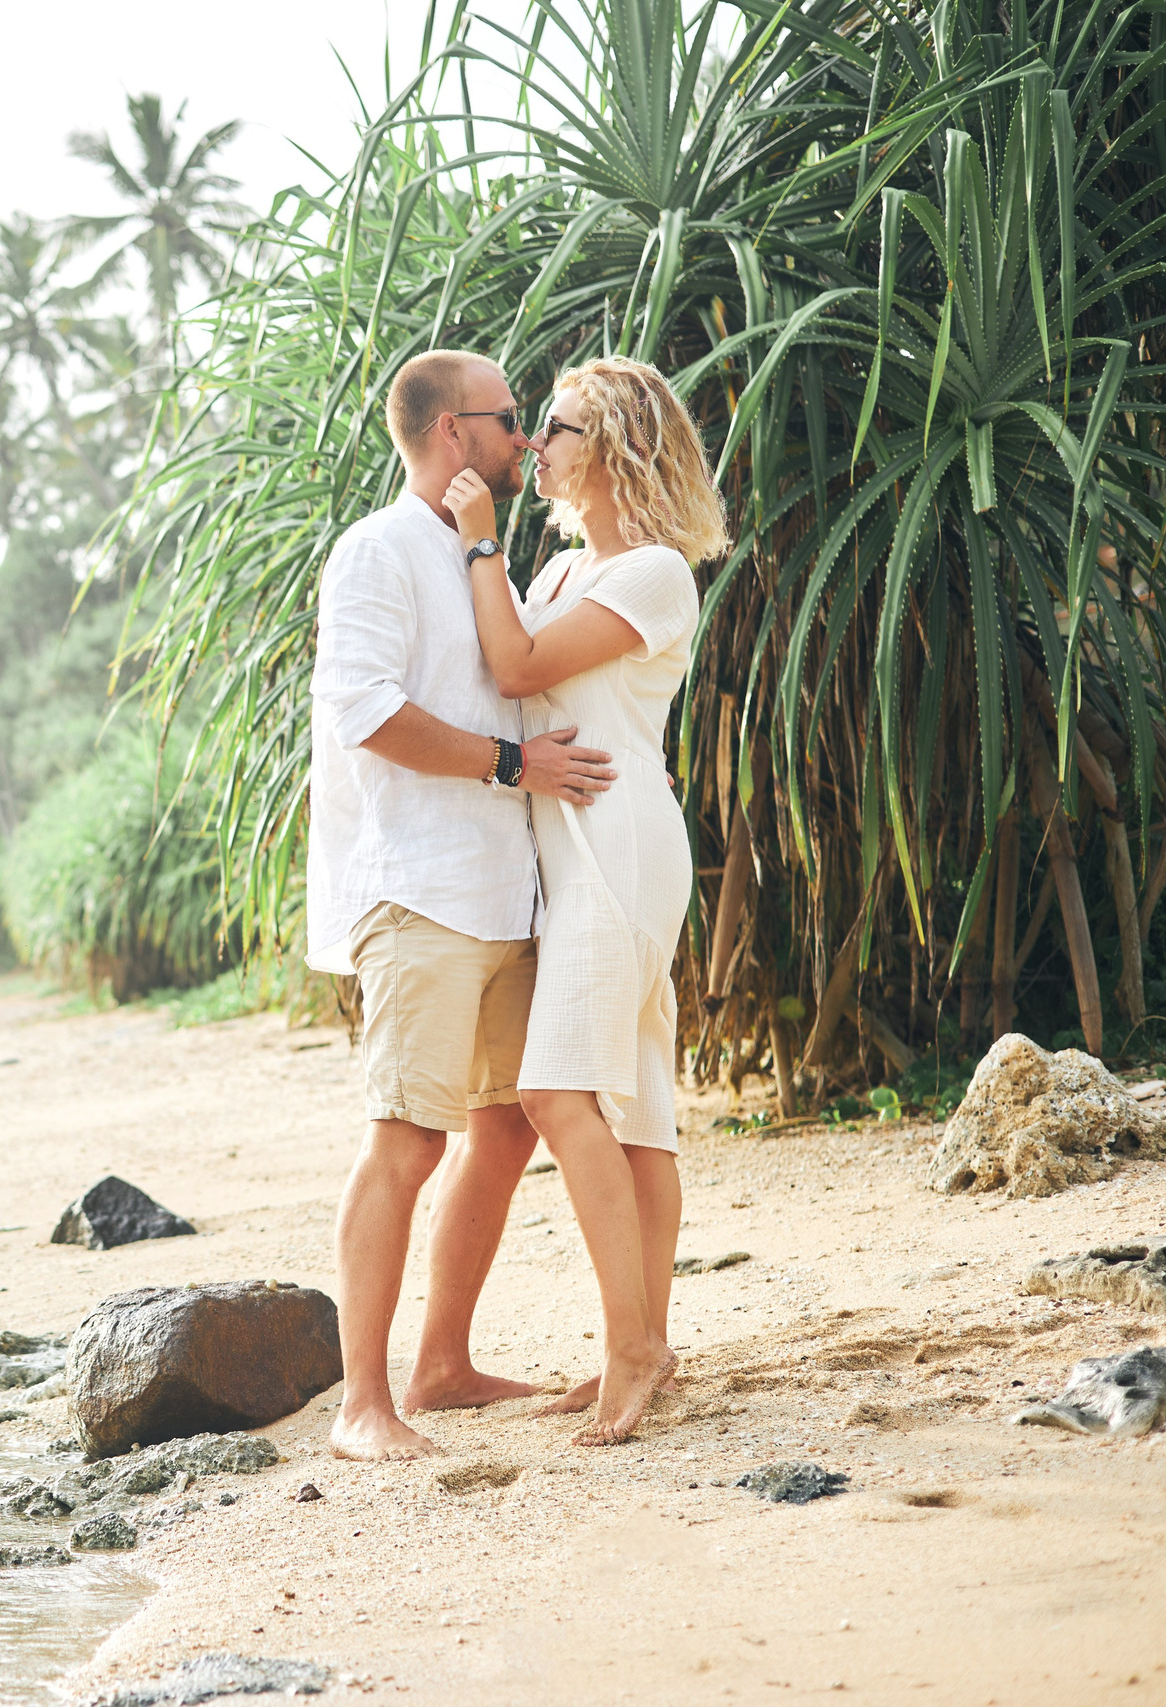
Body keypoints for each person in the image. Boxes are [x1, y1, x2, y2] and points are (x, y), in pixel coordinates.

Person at [308, 348, 619, 1462]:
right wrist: (509, 765)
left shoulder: (486, 555)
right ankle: (361, 1406)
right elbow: (365, 711)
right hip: (421, 888)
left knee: (499, 1126)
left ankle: (440, 1366)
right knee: (404, 1140)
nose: (527, 435)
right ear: (453, 435)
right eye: (508, 417)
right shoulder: (377, 552)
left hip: (509, 891)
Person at [444, 354, 729, 1446]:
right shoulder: (564, 573)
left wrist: (477, 540)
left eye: (554, 426)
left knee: (557, 1094)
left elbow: (513, 670)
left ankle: (630, 1349)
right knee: (638, 1110)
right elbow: (502, 675)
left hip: (617, 845)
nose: (532, 444)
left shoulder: (654, 572)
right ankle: (645, 1341)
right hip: (577, 849)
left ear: (608, 444)